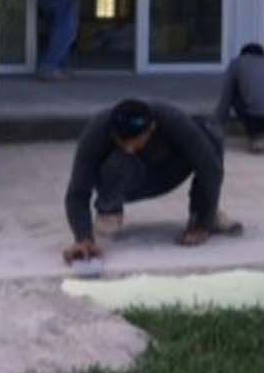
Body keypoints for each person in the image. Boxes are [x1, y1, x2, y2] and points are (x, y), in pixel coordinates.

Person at [61, 98, 240, 264]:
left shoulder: (171, 119)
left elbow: (210, 168)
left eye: (135, 142)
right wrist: (83, 238)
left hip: (165, 172)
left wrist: (203, 221)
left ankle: (205, 214)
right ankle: (109, 209)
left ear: (152, 128)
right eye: (122, 143)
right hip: (123, 179)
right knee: (120, 161)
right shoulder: (98, 130)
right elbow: (77, 192)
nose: (129, 148)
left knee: (209, 135)